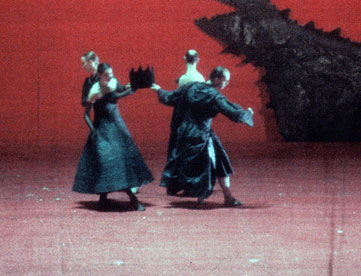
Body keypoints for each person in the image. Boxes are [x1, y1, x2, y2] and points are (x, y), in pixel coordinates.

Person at [151, 66, 253, 207]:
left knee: (211, 164)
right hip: (201, 135)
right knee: (214, 164)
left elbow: (169, 98)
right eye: (225, 80)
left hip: (185, 134)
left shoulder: (190, 87)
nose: (227, 83)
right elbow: (232, 112)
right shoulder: (214, 96)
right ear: (216, 79)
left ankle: (225, 197)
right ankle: (209, 198)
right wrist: (248, 114)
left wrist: (158, 89)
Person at [73, 61, 154, 211]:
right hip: (102, 130)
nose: (110, 77)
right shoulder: (95, 91)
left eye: (111, 74)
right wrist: (93, 130)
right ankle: (129, 198)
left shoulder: (112, 81)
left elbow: (118, 91)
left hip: (116, 127)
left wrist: (130, 87)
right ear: (99, 75)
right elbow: (86, 114)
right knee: (108, 163)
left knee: (119, 162)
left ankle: (111, 198)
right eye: (106, 75)